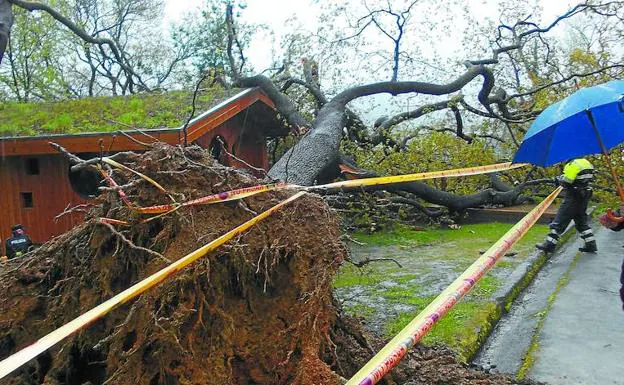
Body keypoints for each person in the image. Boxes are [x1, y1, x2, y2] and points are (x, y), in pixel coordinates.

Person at [536, 158, 596, 253]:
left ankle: (549, 245)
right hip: (584, 196)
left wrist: (559, 179)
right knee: (581, 222)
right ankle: (591, 244)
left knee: (559, 220)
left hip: (573, 196)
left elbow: (567, 181)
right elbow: (583, 178)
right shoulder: (586, 162)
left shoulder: (571, 165)